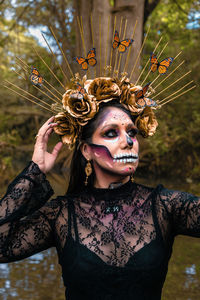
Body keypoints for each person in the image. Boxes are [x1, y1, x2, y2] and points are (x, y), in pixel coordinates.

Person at [0, 80, 200, 300]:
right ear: (86, 150)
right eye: (111, 133)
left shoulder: (166, 206)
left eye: (132, 132)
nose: (128, 142)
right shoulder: (61, 214)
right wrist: (35, 170)